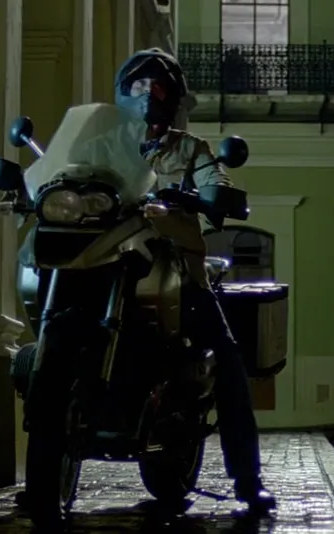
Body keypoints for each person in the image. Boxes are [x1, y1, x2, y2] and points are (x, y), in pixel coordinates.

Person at [116, 48, 277, 512]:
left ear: (172, 98)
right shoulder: (108, 145)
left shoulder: (191, 149)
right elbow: (75, 169)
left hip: (177, 270)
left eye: (157, 87)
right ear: (124, 92)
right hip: (115, 262)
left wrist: (213, 194)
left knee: (227, 358)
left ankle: (247, 479)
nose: (148, 94)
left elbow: (214, 179)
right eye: (139, 85)